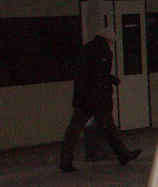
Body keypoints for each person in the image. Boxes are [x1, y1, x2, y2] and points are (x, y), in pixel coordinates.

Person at [59, 30, 142, 171]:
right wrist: (112, 80)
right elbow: (100, 75)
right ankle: (123, 154)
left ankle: (65, 160)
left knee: (74, 129)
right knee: (109, 128)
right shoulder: (104, 52)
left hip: (83, 97)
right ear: (107, 40)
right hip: (97, 98)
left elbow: (87, 73)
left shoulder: (86, 48)